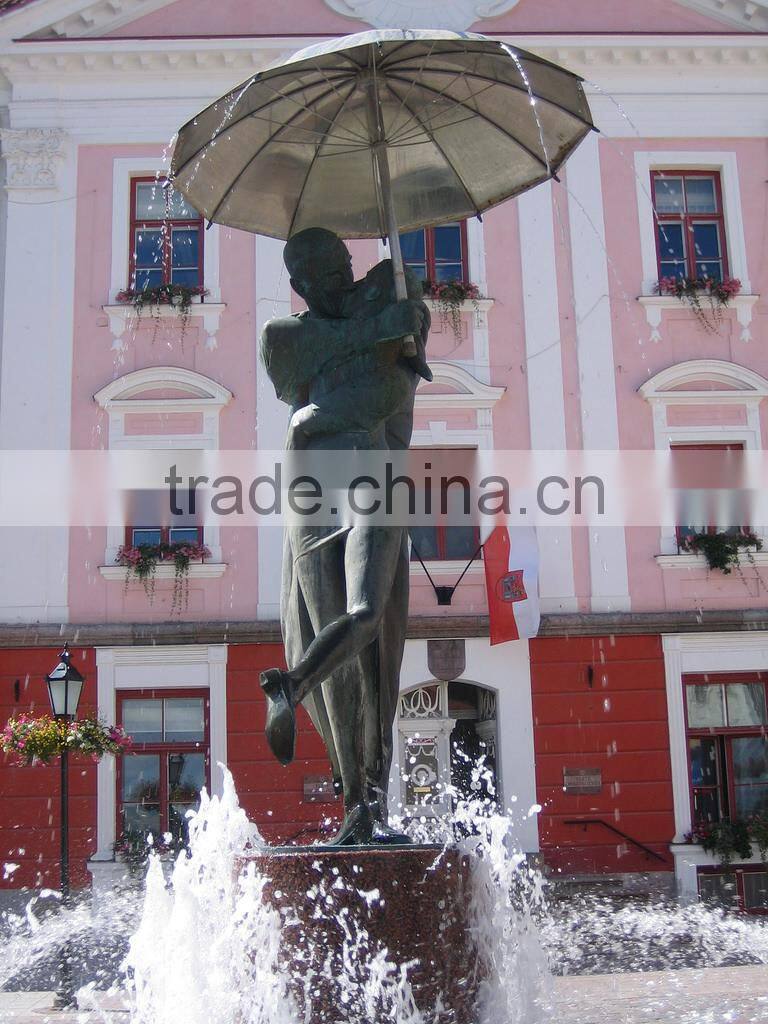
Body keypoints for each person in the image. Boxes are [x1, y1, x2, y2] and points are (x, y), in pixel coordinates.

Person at [259, 227, 431, 845]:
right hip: (312, 486)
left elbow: (392, 394)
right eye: (320, 273)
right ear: (298, 284)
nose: (337, 279)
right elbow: (295, 376)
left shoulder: (393, 307)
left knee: (373, 633)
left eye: (342, 266)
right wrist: (379, 326)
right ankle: (357, 803)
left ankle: (292, 686)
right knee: (329, 619)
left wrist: (403, 318)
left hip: (376, 476)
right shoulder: (285, 336)